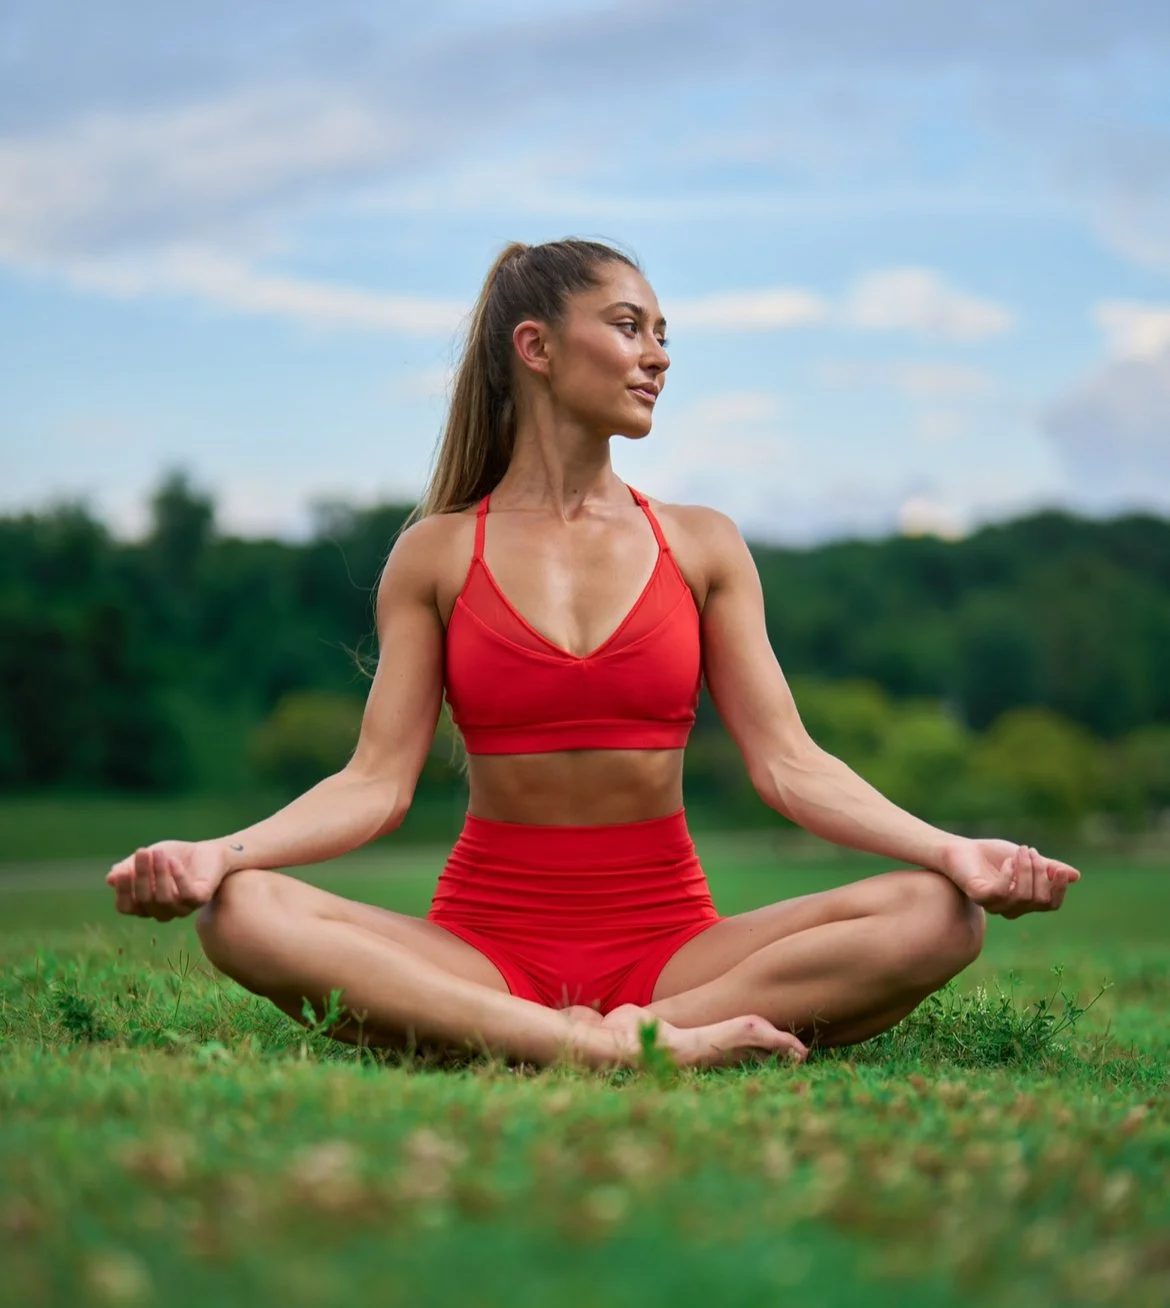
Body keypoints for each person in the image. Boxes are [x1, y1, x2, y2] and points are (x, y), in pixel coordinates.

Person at [106, 238, 1080, 1071]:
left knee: (940, 914)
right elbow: (373, 785)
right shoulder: (440, 552)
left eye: (663, 335)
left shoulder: (701, 544)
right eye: (629, 326)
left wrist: (954, 850)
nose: (655, 356)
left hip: (675, 950)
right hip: (480, 946)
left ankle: (593, 1034)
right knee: (240, 914)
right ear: (535, 346)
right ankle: (605, 1046)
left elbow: (791, 765)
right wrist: (213, 857)